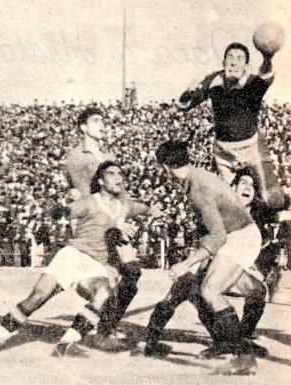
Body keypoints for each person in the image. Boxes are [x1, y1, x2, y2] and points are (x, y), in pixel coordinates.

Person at [0, 161, 152, 358]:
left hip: (95, 264)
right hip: (72, 256)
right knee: (37, 297)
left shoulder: (124, 206)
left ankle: (66, 343)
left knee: (103, 292)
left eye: (120, 173)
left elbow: (142, 208)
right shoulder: (88, 201)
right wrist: (61, 205)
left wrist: (152, 208)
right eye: (112, 173)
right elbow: (61, 212)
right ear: (101, 181)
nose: (118, 177)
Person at [144, 140, 265, 375]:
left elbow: (218, 235)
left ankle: (244, 355)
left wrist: (185, 263)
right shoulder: (196, 177)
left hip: (238, 237)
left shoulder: (196, 187)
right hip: (238, 236)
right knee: (210, 289)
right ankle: (230, 343)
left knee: (210, 291)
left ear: (165, 167)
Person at [62, 107, 144, 350]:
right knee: (113, 275)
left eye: (104, 121)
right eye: (96, 121)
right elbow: (87, 198)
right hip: (99, 224)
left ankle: (103, 326)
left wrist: (125, 213)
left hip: (115, 218)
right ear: (83, 127)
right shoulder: (77, 156)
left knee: (130, 273)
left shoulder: (107, 153)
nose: (103, 124)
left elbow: (118, 191)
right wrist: (115, 219)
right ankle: (99, 329)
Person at [179, 41, 286, 210]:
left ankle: (270, 220)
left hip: (252, 148)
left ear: (246, 66)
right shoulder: (214, 80)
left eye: (239, 58)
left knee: (272, 199)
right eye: (230, 58)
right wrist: (189, 91)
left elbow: (266, 76)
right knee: (228, 205)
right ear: (223, 63)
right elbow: (184, 105)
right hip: (224, 153)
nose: (234, 62)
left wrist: (267, 57)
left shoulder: (252, 83)